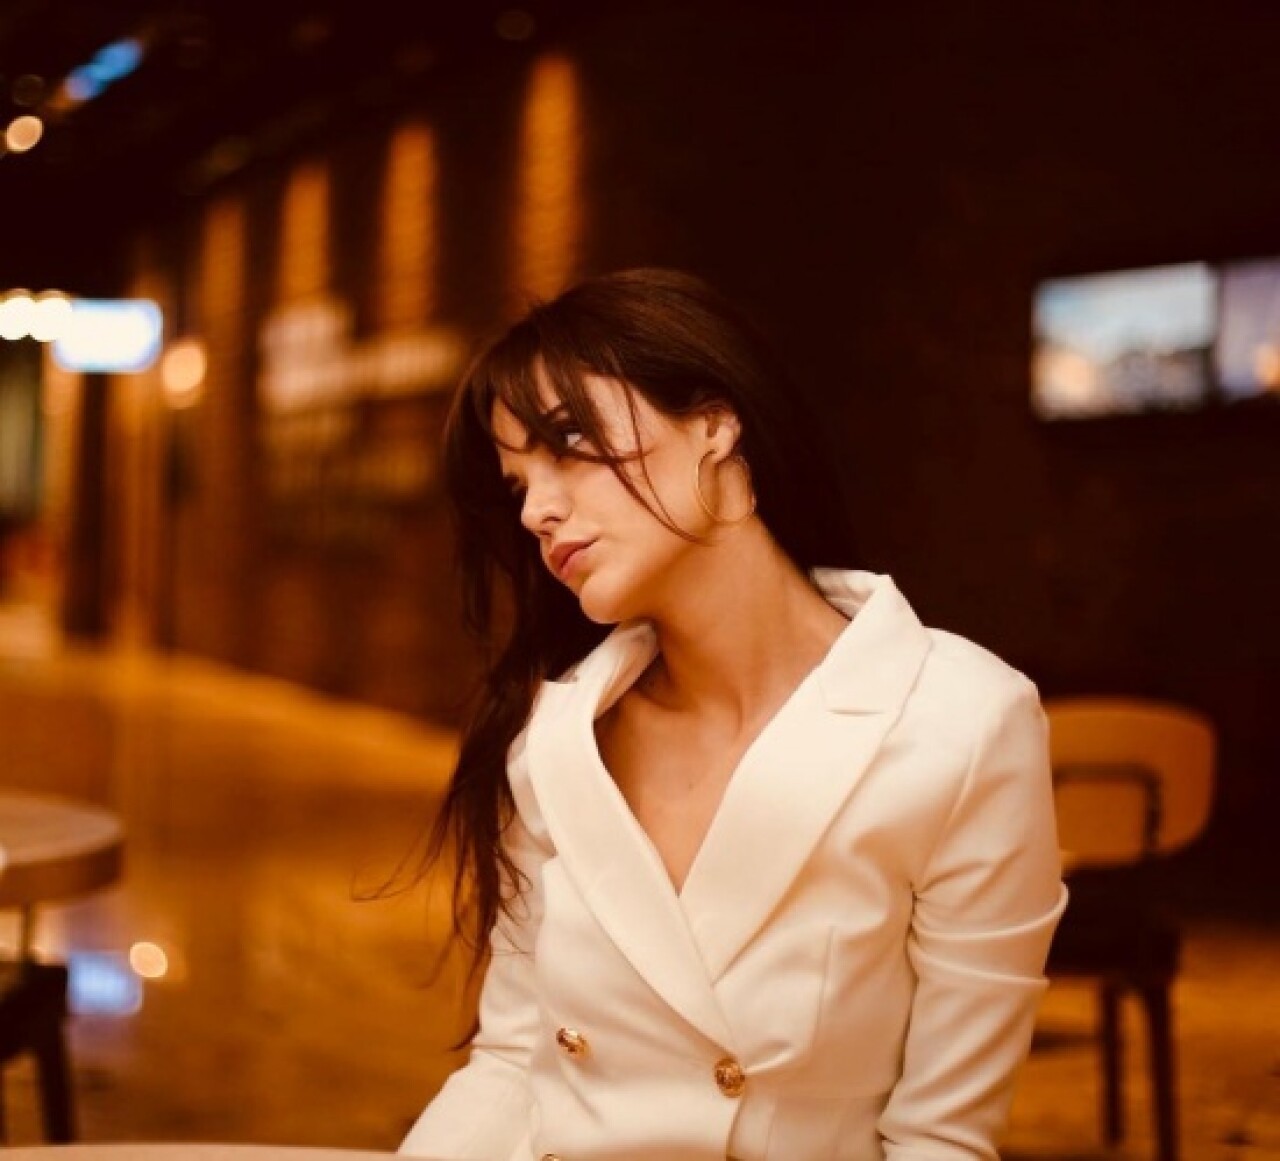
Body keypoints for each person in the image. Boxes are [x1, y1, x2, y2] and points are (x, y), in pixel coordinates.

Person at [399, 268, 1067, 1161]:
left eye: (568, 442)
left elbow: (942, 1138)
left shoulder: (959, 725)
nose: (539, 510)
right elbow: (513, 1062)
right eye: (518, 482)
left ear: (715, 423)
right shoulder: (558, 738)